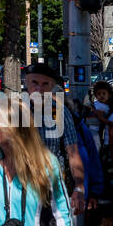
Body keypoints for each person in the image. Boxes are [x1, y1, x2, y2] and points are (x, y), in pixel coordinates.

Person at [24, 63, 86, 218]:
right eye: (35, 83)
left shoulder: (60, 111)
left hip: (51, 185)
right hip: (21, 185)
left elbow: (73, 153)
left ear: (52, 87)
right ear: (26, 82)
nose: (39, 89)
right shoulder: (14, 109)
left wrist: (79, 188)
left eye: (45, 84)